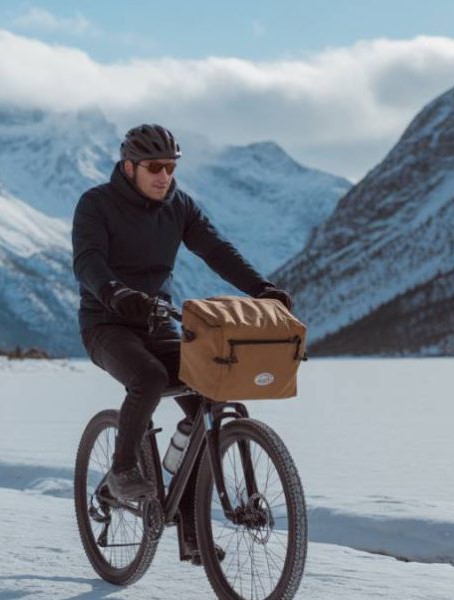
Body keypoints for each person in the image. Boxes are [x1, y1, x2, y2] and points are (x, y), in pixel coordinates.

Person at [72, 124, 292, 556]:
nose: (164, 176)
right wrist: (115, 293)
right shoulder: (96, 204)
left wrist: (261, 290)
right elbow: (88, 261)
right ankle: (122, 469)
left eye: (170, 167)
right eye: (154, 167)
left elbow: (216, 249)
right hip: (106, 325)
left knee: (208, 397)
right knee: (149, 377)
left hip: (158, 323)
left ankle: (191, 532)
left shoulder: (179, 206)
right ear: (129, 166)